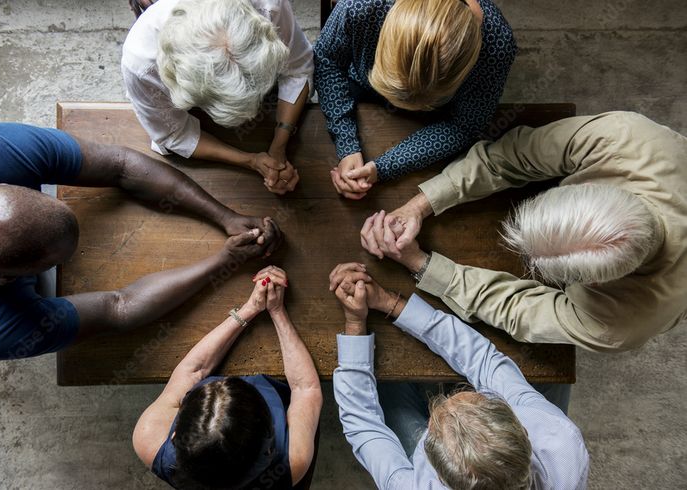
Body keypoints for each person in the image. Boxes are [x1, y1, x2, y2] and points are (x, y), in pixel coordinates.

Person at [359, 111, 687, 352]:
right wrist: (420, 204)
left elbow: (516, 310)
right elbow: (515, 156)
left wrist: (420, 264)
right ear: (587, 185)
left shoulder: (617, 326)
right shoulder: (625, 136)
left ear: (595, 282)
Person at [0, 122, 282, 360]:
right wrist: (223, 262)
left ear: (6, 186)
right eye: (57, 261)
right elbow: (118, 307)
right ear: (8, 279)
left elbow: (120, 165)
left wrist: (224, 216)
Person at [328, 262, 589, 489]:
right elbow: (484, 361)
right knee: (551, 362)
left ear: (441, 478)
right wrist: (389, 302)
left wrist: (354, 324)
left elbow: (363, 424)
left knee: (387, 383)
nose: (447, 397)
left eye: (434, 423)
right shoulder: (560, 440)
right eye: (481, 398)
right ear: (522, 429)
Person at [133, 266, 322, 489]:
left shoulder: (149, 439)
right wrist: (277, 311)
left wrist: (249, 309)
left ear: (174, 436)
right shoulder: (293, 460)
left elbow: (194, 371)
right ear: (270, 438)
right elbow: (304, 389)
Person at [314, 0, 516, 200]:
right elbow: (327, 59)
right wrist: (346, 143)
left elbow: (465, 125)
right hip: (359, 80)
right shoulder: (359, 6)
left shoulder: (498, 46)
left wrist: (385, 167)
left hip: (437, 115)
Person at [122, 0, 314, 195]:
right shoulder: (140, 63)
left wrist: (279, 145)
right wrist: (250, 160)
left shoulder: (269, 5)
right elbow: (174, 133)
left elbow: (297, 68)